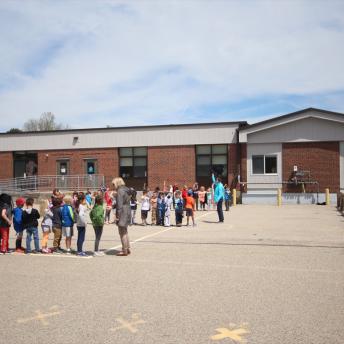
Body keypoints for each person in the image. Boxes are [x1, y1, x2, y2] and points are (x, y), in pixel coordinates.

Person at [113, 177, 131, 256]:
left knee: (122, 232)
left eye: (113, 184)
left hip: (122, 211)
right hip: (127, 210)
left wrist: (117, 216)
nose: (113, 186)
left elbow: (119, 205)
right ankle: (127, 248)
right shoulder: (126, 189)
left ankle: (124, 250)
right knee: (125, 231)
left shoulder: (120, 191)